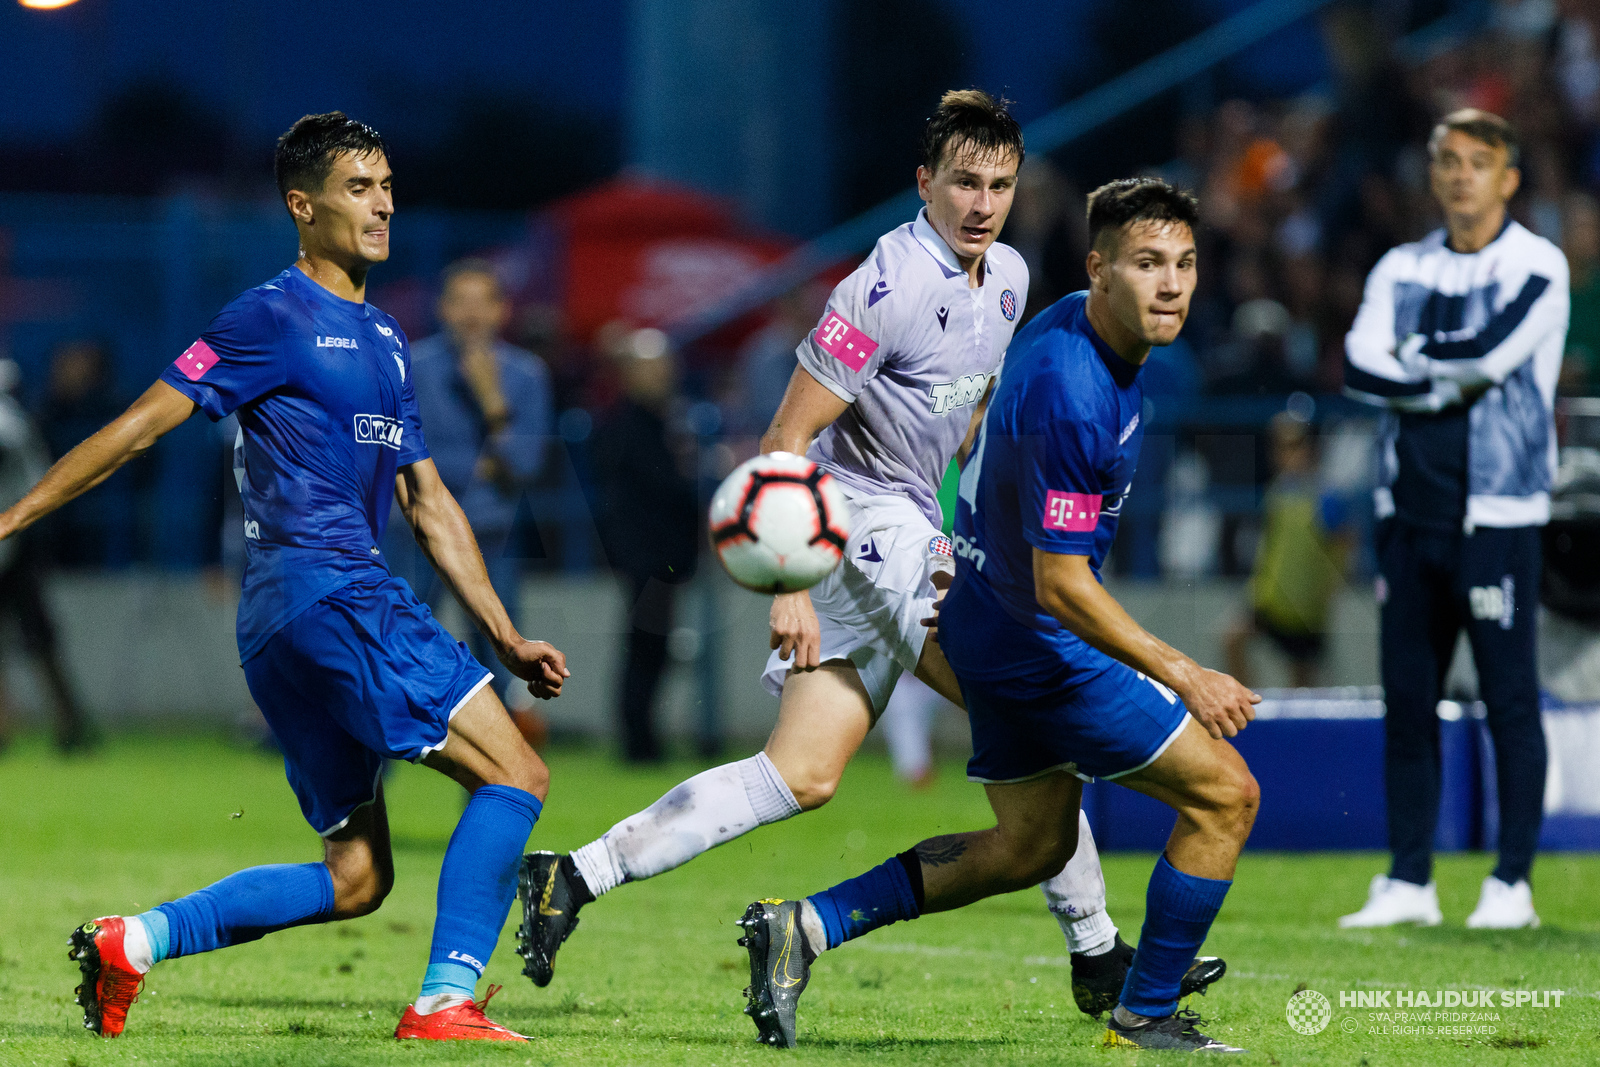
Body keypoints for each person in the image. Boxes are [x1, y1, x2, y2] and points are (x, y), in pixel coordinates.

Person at [516, 92, 1223, 1028]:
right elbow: (783, 440)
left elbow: (966, 416)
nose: (982, 202)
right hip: (862, 527)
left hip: (910, 528)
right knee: (1035, 704)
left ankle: (573, 874)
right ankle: (1097, 952)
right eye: (964, 182)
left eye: (1000, 184)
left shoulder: (1007, 276)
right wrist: (789, 583)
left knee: (800, 774)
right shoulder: (883, 285)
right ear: (924, 184)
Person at [0, 112, 570, 1042]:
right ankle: (444, 1001)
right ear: (302, 208)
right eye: (358, 189)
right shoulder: (270, 315)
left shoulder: (387, 338)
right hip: (332, 590)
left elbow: (428, 499)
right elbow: (144, 424)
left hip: (284, 625)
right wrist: (13, 516)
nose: (383, 205)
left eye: (387, 186)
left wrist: (501, 629)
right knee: (517, 771)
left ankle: (133, 940)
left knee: (357, 878)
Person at [737, 178, 1260, 1053]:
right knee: (1226, 798)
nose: (1171, 284)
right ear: (1098, 271)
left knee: (1031, 846)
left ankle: (805, 925)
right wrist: (1186, 671)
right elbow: (1062, 584)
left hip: (986, 621)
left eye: (1183, 263)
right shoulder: (1074, 391)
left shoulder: (1060, 318)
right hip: (1039, 643)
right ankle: (1146, 1009)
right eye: (1146, 264)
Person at [1341, 109, 1566, 931]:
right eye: (1448, 160)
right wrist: (1436, 376)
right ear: (1432, 175)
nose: (1462, 174)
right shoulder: (1400, 265)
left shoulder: (1539, 263)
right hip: (1408, 515)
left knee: (1509, 698)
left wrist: (1413, 361)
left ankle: (1512, 883)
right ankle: (1409, 880)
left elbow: (1494, 353)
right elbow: (1357, 367)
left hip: (1499, 515)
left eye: (1480, 161)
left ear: (1508, 177)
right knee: (1409, 699)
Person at [402, 258, 553, 706]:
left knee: (501, 659)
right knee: (397, 650)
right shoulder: (411, 364)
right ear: (442, 309)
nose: (471, 314)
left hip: (492, 534)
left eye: (482, 303)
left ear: (502, 311)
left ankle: (496, 774)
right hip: (414, 531)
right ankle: (373, 771)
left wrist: (493, 404)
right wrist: (478, 464)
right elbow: (394, 454)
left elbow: (527, 464)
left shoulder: (526, 374)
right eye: (460, 302)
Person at [589, 326, 701, 762]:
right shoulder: (632, 425)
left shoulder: (659, 420)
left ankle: (641, 737)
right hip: (647, 555)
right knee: (646, 645)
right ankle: (639, 740)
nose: (663, 377)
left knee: (650, 645)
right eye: (652, 370)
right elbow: (663, 487)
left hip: (658, 555)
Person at [0, 359, 96, 751]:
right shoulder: (18, 420)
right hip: (23, 538)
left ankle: (63, 723)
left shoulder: (7, 422)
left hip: (16, 542)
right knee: (39, 639)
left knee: (35, 636)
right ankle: (68, 723)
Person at [1223, 411, 1352, 689]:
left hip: (1304, 608)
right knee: (1232, 639)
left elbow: (1343, 546)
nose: (1285, 454)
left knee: (1302, 683)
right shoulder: (1278, 492)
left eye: (1294, 446)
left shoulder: (1324, 497)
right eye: (1280, 447)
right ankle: (1251, 712)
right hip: (1271, 600)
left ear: (1311, 449)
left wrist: (1327, 591)